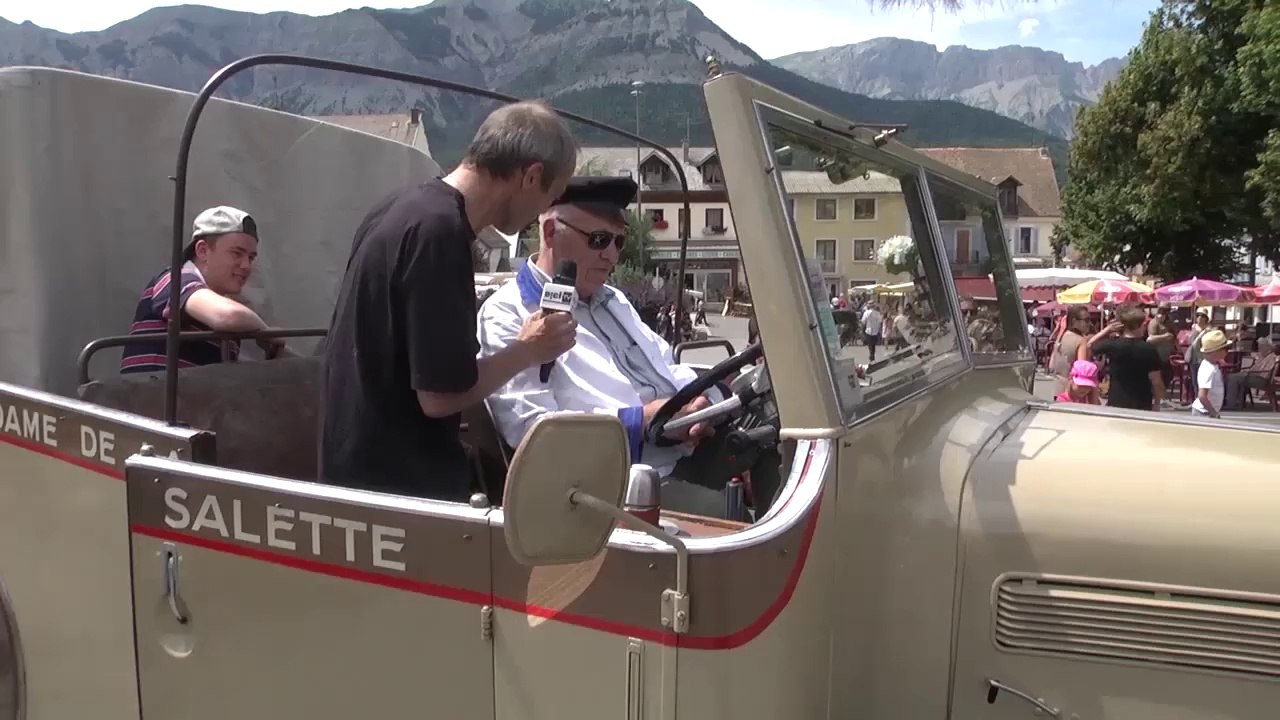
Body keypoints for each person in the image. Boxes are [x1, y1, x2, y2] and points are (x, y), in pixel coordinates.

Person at [320, 101, 579, 501]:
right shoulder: (440, 234)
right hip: (400, 494)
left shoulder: (398, 209)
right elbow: (439, 397)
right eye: (552, 195)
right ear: (532, 176)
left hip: (355, 479)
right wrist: (530, 349)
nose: (542, 213)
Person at [478, 176, 780, 518]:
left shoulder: (613, 299)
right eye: (598, 240)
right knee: (744, 520)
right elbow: (532, 432)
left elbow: (667, 366)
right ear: (550, 233)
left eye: (619, 242)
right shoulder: (509, 311)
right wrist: (640, 420)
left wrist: (701, 403)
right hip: (618, 487)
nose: (611, 256)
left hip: (680, 456)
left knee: (784, 446)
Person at [120, 205, 287, 374]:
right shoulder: (176, 279)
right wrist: (263, 332)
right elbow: (229, 316)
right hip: (151, 396)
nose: (246, 265)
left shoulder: (233, 314)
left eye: (251, 257)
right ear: (202, 251)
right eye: (237, 253)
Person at [1079, 303, 1165, 411]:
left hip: (1116, 402)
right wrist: (1157, 403)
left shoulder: (1113, 345)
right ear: (1138, 325)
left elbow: (1089, 345)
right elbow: (1156, 381)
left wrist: (1108, 329)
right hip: (1142, 404)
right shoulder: (1149, 349)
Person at [1050, 305, 1091, 394]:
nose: (1089, 323)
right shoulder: (1081, 341)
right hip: (1073, 391)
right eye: (1086, 320)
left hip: (1057, 389)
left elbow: (1051, 366)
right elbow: (1081, 371)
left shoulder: (1060, 338)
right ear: (1074, 321)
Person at [1225, 337, 1275, 408]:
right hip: (1255, 376)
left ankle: (1230, 404)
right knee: (1231, 376)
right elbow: (1255, 368)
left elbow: (1265, 373)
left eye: (1261, 347)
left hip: (1261, 379)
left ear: (1267, 348)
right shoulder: (1263, 356)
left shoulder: (1271, 357)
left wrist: (1248, 372)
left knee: (1233, 378)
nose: (1259, 348)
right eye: (1259, 346)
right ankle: (1236, 402)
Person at [1192, 329, 1230, 418]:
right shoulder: (1208, 369)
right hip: (1203, 412)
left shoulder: (1213, 366)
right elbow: (1202, 396)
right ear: (1215, 351)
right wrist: (1213, 412)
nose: (1227, 352)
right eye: (1225, 349)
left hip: (1206, 411)